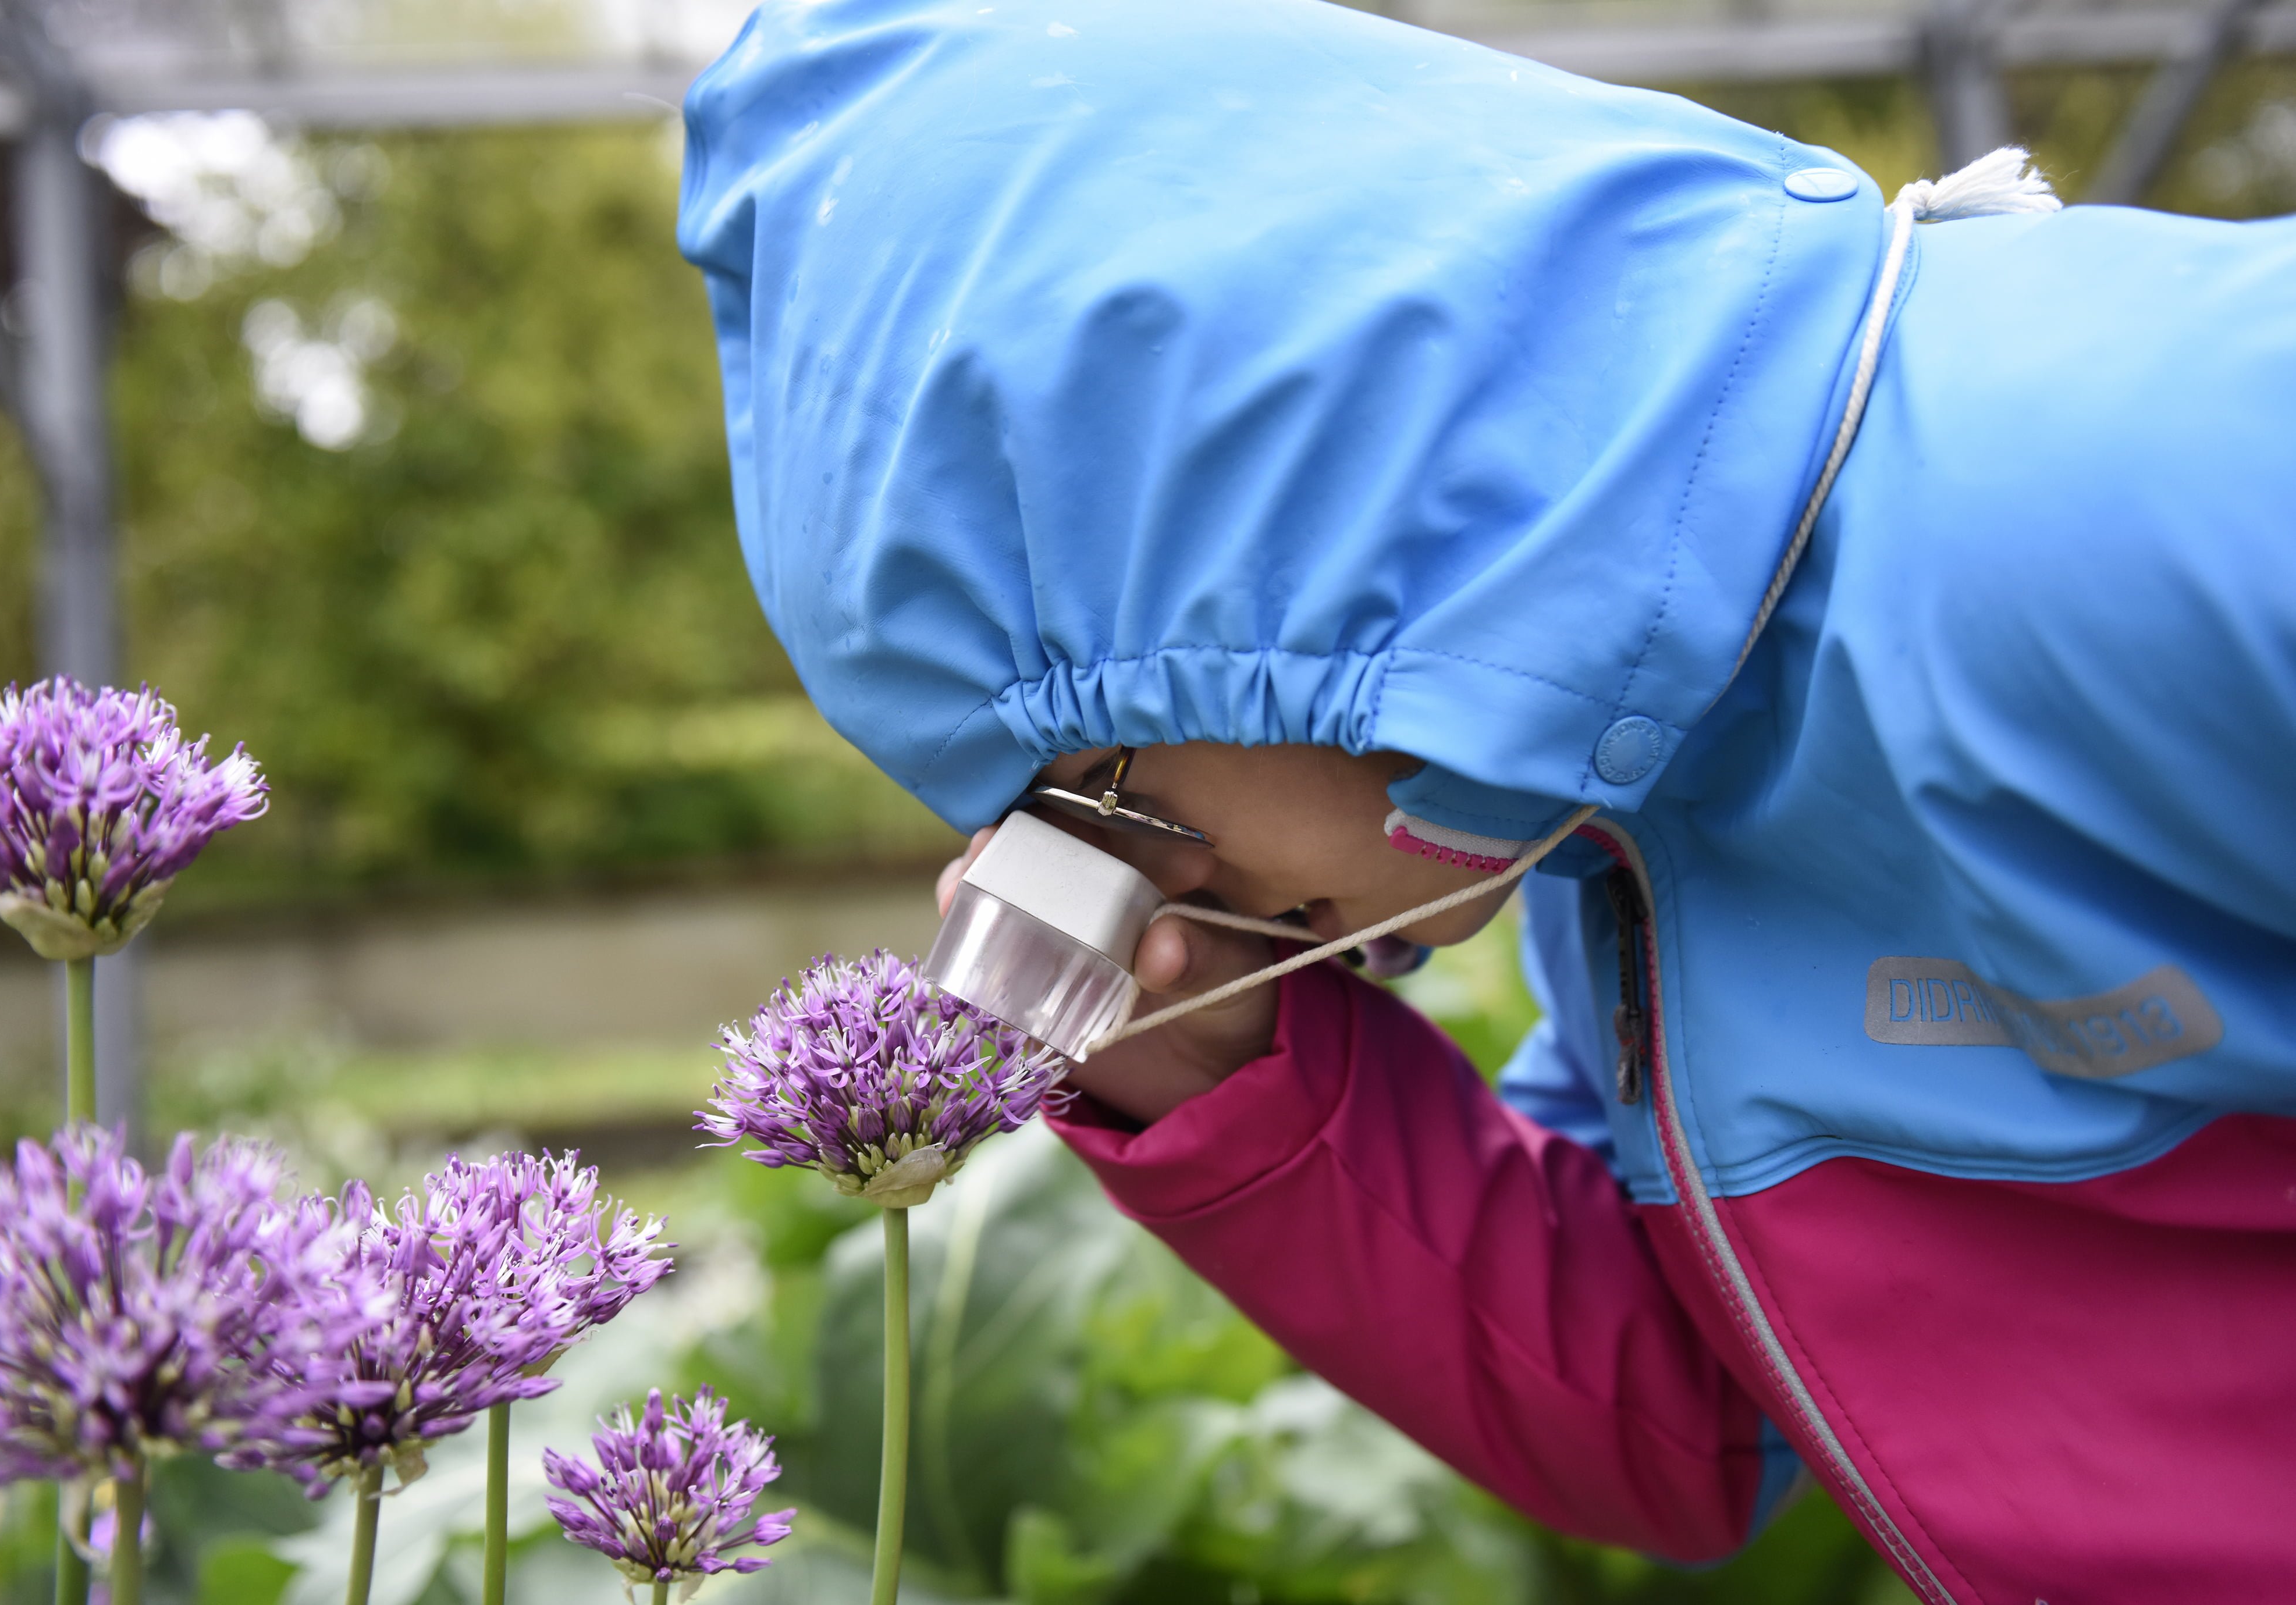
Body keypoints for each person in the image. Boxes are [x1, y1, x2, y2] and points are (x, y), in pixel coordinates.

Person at [674, 0, 2296, 1597]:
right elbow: (1691, 1426)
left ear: (1231, 561)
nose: (1146, 893)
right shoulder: (1628, 824)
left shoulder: (2159, 474)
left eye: (1080, 797)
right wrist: (1232, 1084)